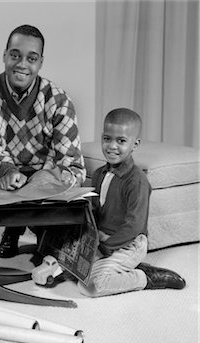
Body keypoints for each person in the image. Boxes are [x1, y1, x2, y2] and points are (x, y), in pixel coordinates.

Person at [0, 24, 85, 258]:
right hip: (1, 174)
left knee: (54, 256)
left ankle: (25, 230)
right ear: (4, 55)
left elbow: (70, 160)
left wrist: (49, 176)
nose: (22, 64)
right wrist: (6, 171)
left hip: (44, 176)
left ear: (40, 62)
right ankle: (10, 230)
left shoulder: (59, 99)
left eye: (31, 58)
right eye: (15, 55)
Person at [75, 108, 185, 296]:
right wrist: (88, 236)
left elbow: (135, 226)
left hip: (129, 243)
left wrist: (105, 248)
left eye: (122, 141)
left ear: (135, 144)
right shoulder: (99, 174)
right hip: (104, 238)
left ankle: (145, 277)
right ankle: (119, 266)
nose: (112, 146)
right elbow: (94, 210)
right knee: (72, 269)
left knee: (91, 286)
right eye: (107, 139)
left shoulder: (137, 181)